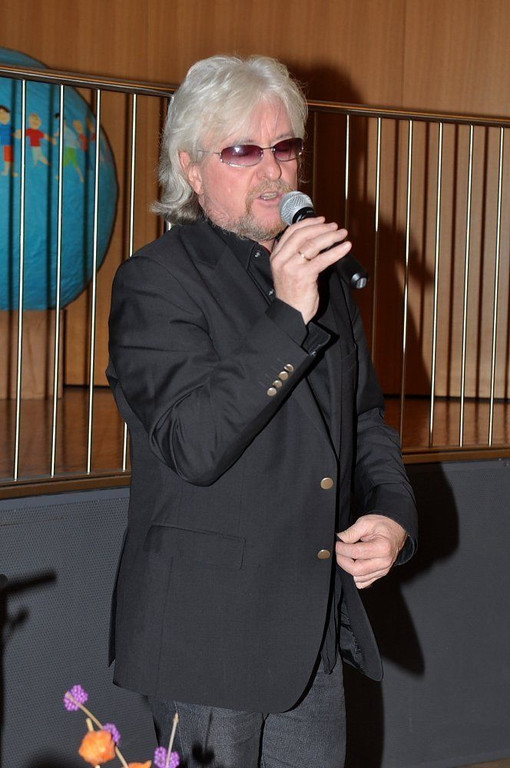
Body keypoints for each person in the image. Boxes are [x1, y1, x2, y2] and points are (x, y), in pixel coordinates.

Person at [107, 55, 418, 768]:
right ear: (190, 169)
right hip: (206, 641)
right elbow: (193, 444)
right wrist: (287, 314)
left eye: (285, 148)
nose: (274, 172)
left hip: (310, 628)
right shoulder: (155, 282)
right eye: (243, 151)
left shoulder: (319, 280)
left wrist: (394, 515)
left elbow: (364, 420)